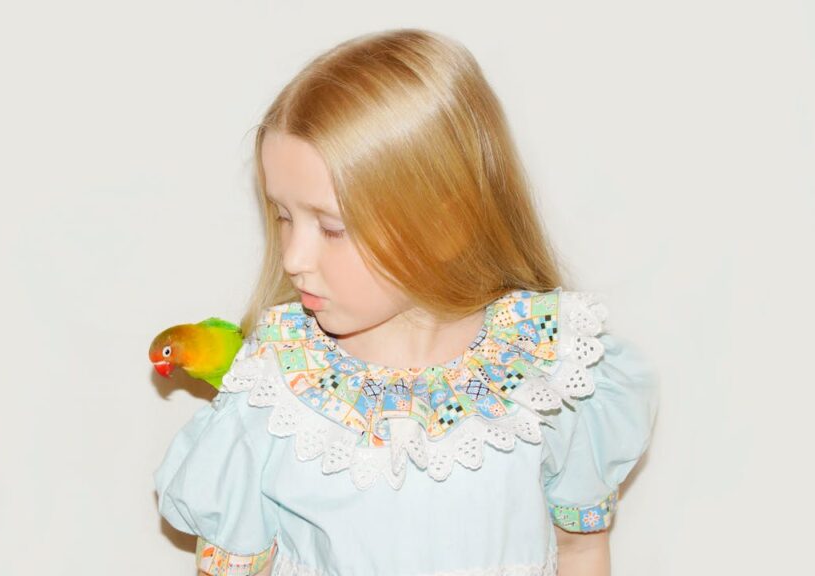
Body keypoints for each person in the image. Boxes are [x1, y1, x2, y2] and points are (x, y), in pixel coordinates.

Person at [153, 28, 660, 576]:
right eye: (282, 216)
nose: (294, 256)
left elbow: (580, 548)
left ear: (446, 225)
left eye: (331, 227)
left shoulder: (549, 374)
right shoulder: (277, 395)